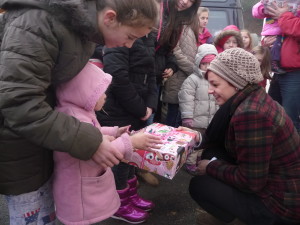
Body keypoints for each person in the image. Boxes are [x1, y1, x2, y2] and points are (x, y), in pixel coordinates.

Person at [0, 0, 159, 224]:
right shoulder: (38, 23)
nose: (130, 46)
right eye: (131, 36)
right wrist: (91, 141)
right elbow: (19, 102)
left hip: (46, 138)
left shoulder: (81, 30)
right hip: (22, 148)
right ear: (110, 18)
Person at [189, 48, 300, 225]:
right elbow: (219, 138)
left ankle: (245, 219)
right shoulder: (253, 95)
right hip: (281, 185)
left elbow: (251, 182)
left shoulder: (251, 114)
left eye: (215, 85)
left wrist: (210, 167)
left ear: (236, 83)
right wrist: (198, 140)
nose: (210, 91)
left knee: (200, 185)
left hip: (282, 205)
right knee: (212, 153)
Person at [53, 61, 161, 225]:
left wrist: (114, 132)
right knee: (83, 220)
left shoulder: (78, 111)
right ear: (84, 93)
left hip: (82, 185)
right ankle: (121, 207)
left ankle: (128, 198)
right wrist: (130, 142)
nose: (105, 96)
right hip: (79, 195)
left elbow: (92, 133)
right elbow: (96, 149)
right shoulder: (74, 117)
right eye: (101, 93)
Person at [96, 32, 159, 223]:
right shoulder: (121, 35)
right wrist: (141, 108)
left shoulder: (149, 36)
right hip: (116, 110)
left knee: (132, 155)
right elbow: (117, 77)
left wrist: (150, 104)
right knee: (120, 160)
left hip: (136, 108)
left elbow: (151, 75)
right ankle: (118, 203)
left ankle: (130, 195)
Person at [178, 44, 218, 175]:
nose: (207, 67)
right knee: (193, 144)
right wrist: (187, 116)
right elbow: (186, 99)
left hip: (210, 120)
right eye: (204, 64)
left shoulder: (215, 79)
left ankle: (199, 161)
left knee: (205, 143)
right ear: (198, 63)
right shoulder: (192, 80)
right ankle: (189, 163)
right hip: (195, 120)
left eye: (211, 64)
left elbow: (217, 100)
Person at [264, 2, 300, 133]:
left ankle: (294, 151)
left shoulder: (287, 13)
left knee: (290, 119)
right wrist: (268, 41)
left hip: (295, 73)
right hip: (280, 70)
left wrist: (283, 15)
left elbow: (296, 29)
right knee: (271, 113)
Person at [161, 11, 200, 128]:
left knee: (180, 116)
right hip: (177, 77)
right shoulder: (179, 28)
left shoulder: (190, 30)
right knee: (172, 117)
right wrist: (192, 69)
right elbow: (175, 51)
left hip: (185, 79)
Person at [252, 0, 300, 74]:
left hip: (293, 67)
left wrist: (283, 15)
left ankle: (273, 63)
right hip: (273, 30)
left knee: (277, 45)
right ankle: (273, 63)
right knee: (274, 45)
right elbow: (256, 10)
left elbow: (296, 28)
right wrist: (263, 10)